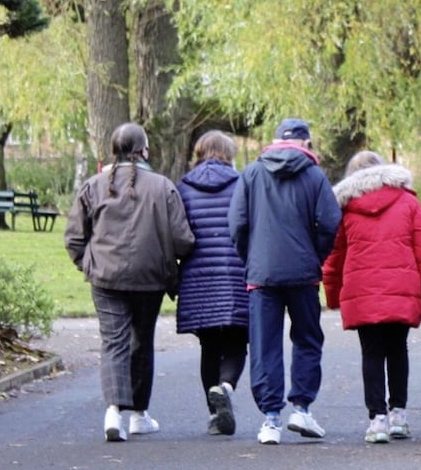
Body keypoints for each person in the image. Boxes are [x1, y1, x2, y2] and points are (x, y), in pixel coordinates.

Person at [65, 122, 195, 441]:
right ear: (144, 150)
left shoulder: (94, 185)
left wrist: (90, 265)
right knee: (142, 341)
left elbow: (74, 238)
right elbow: (182, 239)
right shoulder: (163, 187)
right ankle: (139, 414)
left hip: (105, 278)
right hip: (150, 278)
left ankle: (113, 412)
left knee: (113, 342)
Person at [228, 118, 342, 444]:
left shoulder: (251, 173)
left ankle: (270, 418)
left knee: (265, 345)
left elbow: (236, 223)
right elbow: (331, 222)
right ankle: (302, 408)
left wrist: (250, 257)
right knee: (307, 338)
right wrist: (315, 255)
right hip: (303, 272)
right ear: (305, 144)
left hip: (261, 274)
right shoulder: (315, 175)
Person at [322, 151, 421, 443]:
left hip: (361, 290)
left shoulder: (345, 209)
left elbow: (334, 257)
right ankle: (398, 414)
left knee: (372, 353)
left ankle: (377, 420)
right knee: (398, 349)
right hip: (402, 287)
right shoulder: (408, 202)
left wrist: (333, 294)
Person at [176, 131, 249, 437]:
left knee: (208, 346)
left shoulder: (183, 186)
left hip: (198, 275)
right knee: (236, 342)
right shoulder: (241, 183)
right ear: (229, 154)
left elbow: (178, 233)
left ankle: (215, 415)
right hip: (234, 273)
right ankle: (227, 388)